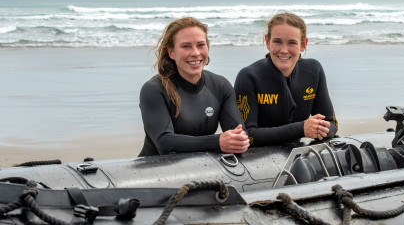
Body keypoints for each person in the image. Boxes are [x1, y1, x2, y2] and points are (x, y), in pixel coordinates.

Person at [139, 17, 249, 156]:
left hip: (199, 169)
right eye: (186, 46)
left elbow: (239, 134)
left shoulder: (220, 86)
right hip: (154, 170)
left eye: (201, 45)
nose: (195, 53)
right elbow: (164, 143)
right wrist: (217, 142)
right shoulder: (154, 90)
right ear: (171, 52)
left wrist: (239, 141)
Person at [234, 12, 338, 146]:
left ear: (303, 45)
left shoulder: (313, 71)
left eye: (292, 43)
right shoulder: (249, 77)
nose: (284, 50)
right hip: (256, 157)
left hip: (293, 154)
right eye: (277, 42)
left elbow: (332, 124)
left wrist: (321, 129)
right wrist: (301, 129)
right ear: (267, 42)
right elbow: (247, 135)